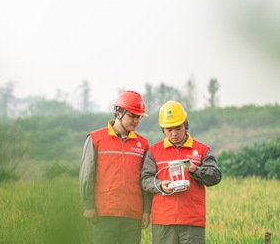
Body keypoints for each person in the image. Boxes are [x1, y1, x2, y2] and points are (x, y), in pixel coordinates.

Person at [141, 100, 221, 244]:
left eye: (178, 128)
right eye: (169, 129)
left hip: (192, 220)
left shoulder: (202, 150)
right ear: (163, 129)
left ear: (186, 125)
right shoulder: (154, 151)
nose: (174, 134)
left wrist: (195, 169)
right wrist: (160, 185)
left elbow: (215, 176)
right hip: (163, 221)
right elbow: (145, 179)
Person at [80, 90, 152, 244]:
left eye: (138, 117)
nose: (136, 120)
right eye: (132, 115)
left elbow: (145, 179)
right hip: (104, 212)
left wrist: (146, 211)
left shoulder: (143, 144)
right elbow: (87, 174)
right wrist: (88, 205)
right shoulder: (95, 139)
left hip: (133, 214)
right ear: (118, 113)